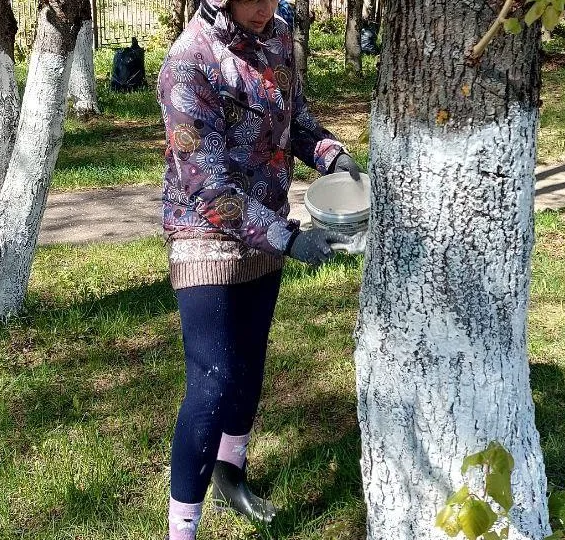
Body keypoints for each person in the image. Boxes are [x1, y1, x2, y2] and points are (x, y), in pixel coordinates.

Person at [156, 0, 363, 538]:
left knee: (249, 362)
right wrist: (288, 239)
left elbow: (294, 116)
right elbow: (209, 190)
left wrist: (330, 154)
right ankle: (182, 529)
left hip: (265, 225)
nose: (262, 9)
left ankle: (231, 475)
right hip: (204, 235)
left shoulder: (279, 32)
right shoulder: (189, 62)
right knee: (214, 379)